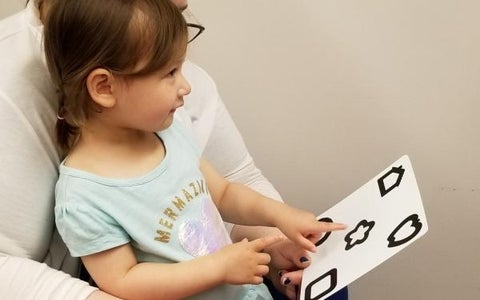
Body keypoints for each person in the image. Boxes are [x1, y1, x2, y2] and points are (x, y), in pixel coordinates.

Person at [0, 0, 349, 299]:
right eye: (170, 73)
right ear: (104, 86)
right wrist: (218, 267)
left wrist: (280, 221)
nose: (186, 86)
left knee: (331, 282)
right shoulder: (83, 197)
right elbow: (124, 282)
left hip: (241, 288)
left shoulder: (167, 135)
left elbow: (226, 190)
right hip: (218, 278)